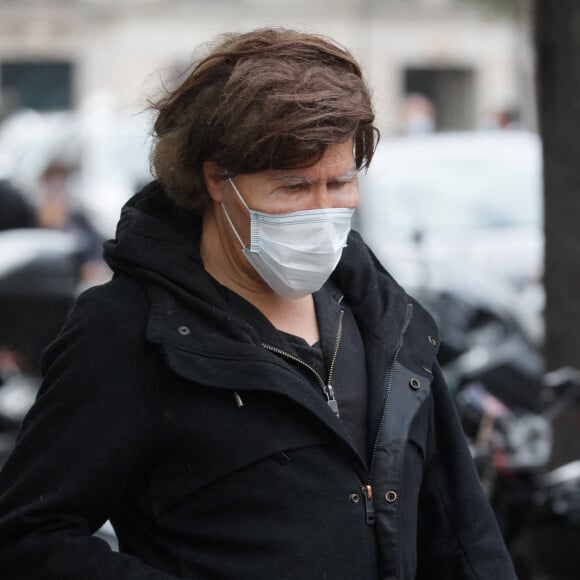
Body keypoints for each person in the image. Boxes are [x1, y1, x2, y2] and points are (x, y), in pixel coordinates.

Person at [0, 28, 517, 579]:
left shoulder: (387, 319)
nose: (321, 211)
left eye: (339, 182)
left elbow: (461, 533)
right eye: (292, 187)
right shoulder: (127, 330)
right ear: (218, 178)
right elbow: (31, 537)